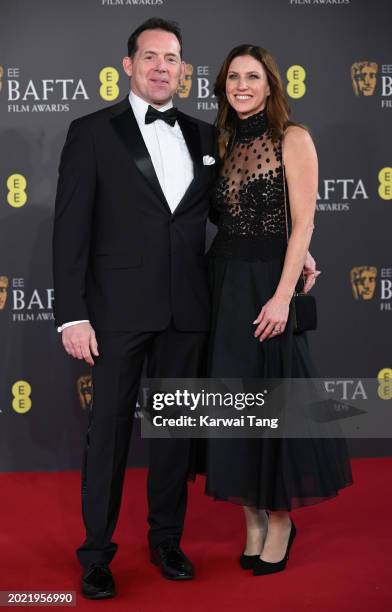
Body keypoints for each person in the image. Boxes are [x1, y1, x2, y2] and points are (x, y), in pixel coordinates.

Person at [52, 18, 219, 598]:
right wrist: (72, 313)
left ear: (183, 70)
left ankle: (167, 541)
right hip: (116, 313)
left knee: (174, 435)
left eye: (171, 59)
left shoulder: (204, 136)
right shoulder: (92, 131)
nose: (160, 67)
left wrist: (297, 252)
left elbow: (232, 218)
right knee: (110, 436)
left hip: (187, 312)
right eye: (150, 57)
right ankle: (96, 554)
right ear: (128, 65)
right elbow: (69, 229)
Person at [205, 45, 353, 576]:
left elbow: (304, 222)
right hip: (221, 283)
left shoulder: (294, 138)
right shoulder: (221, 142)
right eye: (233, 77)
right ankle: (250, 520)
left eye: (253, 76)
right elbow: (227, 219)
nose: (242, 85)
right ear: (222, 85)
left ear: (271, 86)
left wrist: (282, 295)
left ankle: (282, 521)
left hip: (268, 286)